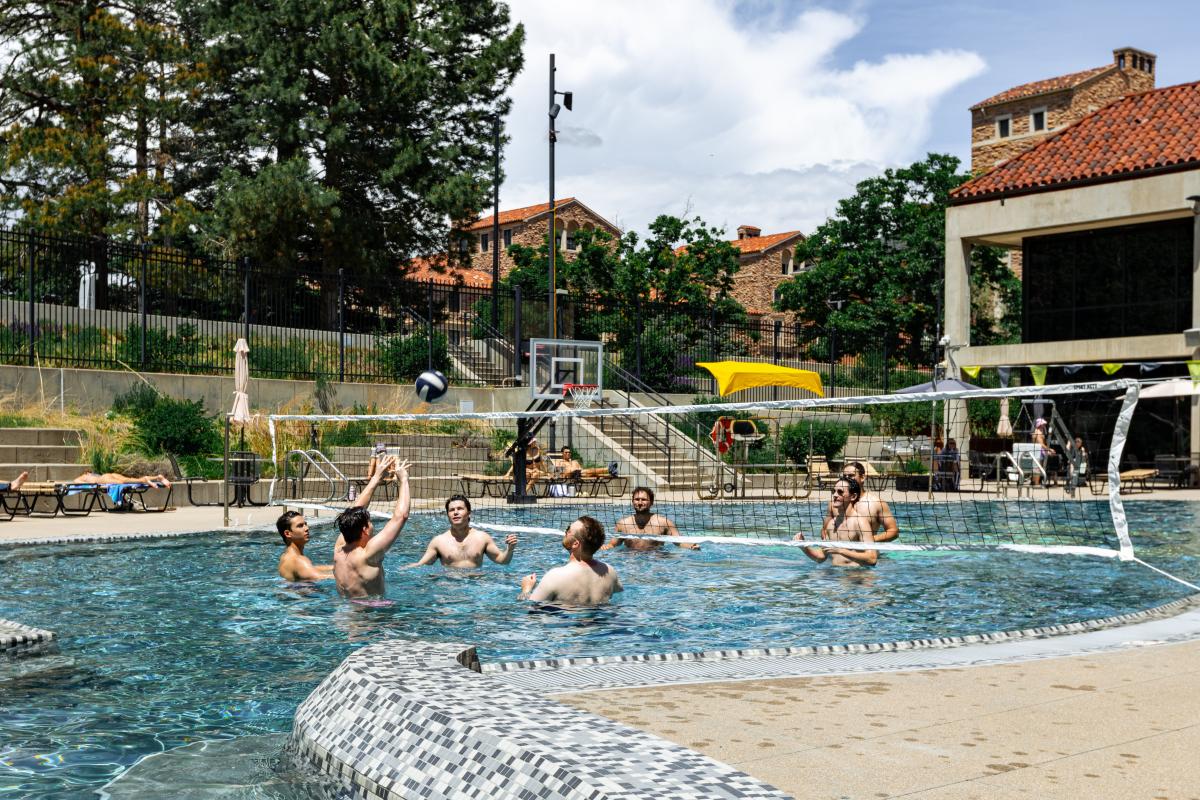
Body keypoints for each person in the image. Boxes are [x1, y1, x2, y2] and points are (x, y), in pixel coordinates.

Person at [333, 455, 411, 598]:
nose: (371, 524)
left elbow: (355, 511)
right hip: (371, 615)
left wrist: (376, 477)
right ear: (364, 529)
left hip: (344, 613)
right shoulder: (369, 554)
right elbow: (401, 517)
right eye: (370, 521)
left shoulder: (339, 549)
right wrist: (404, 479)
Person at [518, 516, 623, 604]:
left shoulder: (555, 576)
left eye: (568, 530)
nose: (565, 532)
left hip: (566, 626)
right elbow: (619, 592)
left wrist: (526, 589)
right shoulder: (610, 572)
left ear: (575, 543)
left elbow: (530, 611)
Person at [406, 494, 518, 569]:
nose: (455, 512)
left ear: (469, 512)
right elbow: (420, 566)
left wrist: (510, 549)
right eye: (451, 510)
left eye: (460, 509)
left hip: (476, 588)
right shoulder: (439, 542)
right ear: (448, 515)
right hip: (449, 589)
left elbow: (503, 561)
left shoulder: (482, 538)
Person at [795, 476, 877, 567]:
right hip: (835, 578)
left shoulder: (860, 522)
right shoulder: (831, 524)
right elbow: (821, 557)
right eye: (834, 491)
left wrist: (841, 550)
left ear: (853, 496)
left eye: (840, 492)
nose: (834, 495)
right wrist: (803, 547)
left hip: (856, 577)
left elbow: (872, 558)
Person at [602, 486, 698, 551]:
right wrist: (605, 548)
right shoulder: (623, 524)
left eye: (644, 500)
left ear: (651, 502)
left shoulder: (663, 523)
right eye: (637, 499)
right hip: (631, 562)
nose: (640, 502)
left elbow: (679, 541)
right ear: (632, 501)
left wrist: (691, 546)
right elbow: (613, 544)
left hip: (655, 561)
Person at [834, 462, 899, 542]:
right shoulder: (835, 502)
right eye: (844, 476)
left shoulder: (876, 503)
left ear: (862, 477)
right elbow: (825, 530)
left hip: (866, 552)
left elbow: (893, 531)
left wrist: (869, 539)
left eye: (851, 476)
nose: (847, 479)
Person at [276, 510, 334, 582]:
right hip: (305, 592)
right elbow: (323, 578)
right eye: (300, 526)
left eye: (305, 524)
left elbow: (309, 568)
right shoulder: (299, 560)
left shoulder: (286, 556)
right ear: (287, 533)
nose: (307, 528)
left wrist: (334, 567)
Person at [71, 471, 171, 488]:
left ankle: (144, 479)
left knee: (123, 482)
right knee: (130, 479)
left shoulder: (85, 476)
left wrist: (89, 483)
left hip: (102, 479)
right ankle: (157, 477)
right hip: (110, 474)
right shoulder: (94, 474)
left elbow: (75, 481)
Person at [1031, 418, 1049, 486]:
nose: (1044, 426)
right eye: (1043, 424)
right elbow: (1041, 444)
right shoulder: (1038, 432)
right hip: (1039, 452)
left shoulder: (1036, 431)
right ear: (1040, 425)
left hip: (1037, 451)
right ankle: (1036, 483)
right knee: (1038, 467)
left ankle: (1033, 482)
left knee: (1036, 467)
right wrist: (1049, 449)